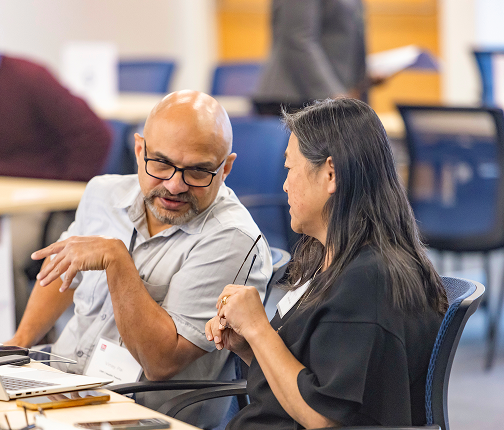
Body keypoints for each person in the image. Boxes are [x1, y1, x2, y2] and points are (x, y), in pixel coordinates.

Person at [5, 90, 272, 428]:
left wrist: (117, 262)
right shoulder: (103, 193)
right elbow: (62, 272)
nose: (175, 185)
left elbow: (160, 362)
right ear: (139, 149)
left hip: (138, 413)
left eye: (198, 171)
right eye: (160, 164)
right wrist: (19, 343)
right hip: (64, 384)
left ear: (226, 168)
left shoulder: (230, 238)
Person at [206, 97, 448, 429]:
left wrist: (259, 329)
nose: (285, 184)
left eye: (290, 169)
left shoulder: (366, 281)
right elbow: (313, 374)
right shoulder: (342, 263)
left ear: (330, 173)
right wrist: (250, 346)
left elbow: (322, 416)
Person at [0, 54, 112, 325]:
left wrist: (64, 188)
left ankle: (19, 341)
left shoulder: (29, 78)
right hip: (10, 193)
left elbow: (95, 135)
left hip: (37, 200)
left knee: (7, 253)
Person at [252, 0, 368, 116]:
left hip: (332, 96)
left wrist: (362, 78)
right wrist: (333, 94)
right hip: (293, 99)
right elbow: (298, 38)